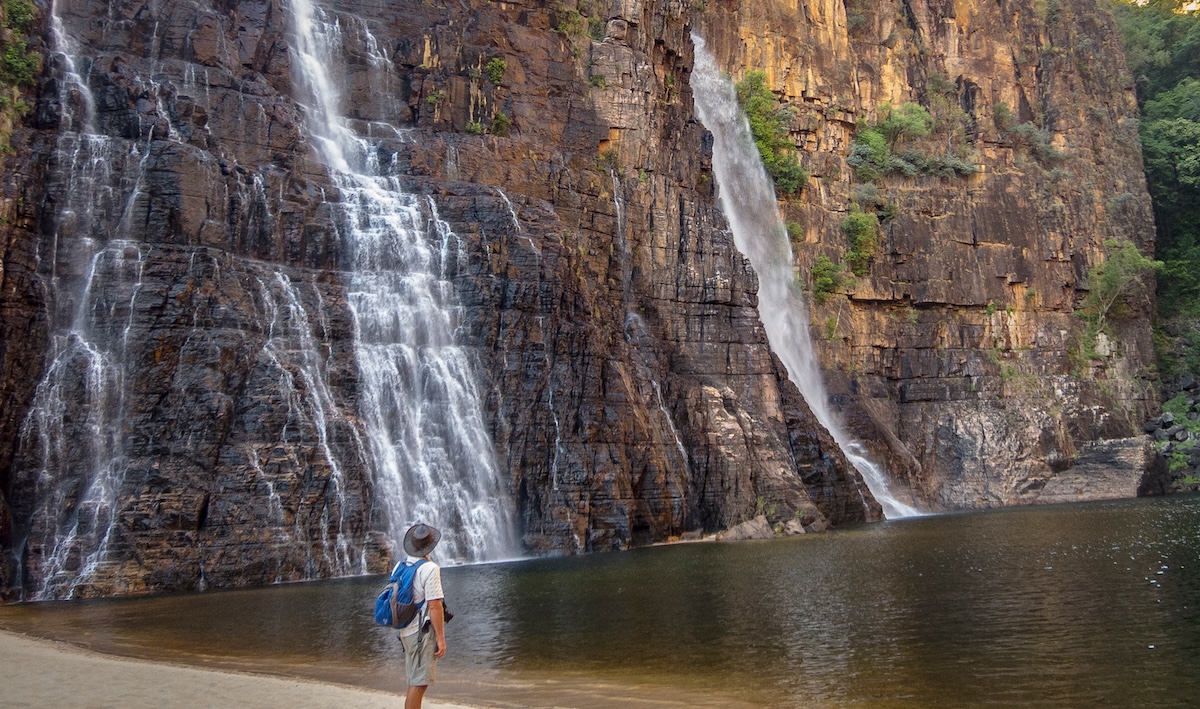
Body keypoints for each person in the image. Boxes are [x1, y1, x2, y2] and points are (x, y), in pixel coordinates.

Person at [396, 523, 446, 709]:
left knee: (414, 681)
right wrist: (441, 639)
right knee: (419, 683)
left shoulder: (401, 565)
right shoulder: (430, 569)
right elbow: (435, 606)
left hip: (406, 632)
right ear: (430, 546)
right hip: (421, 634)